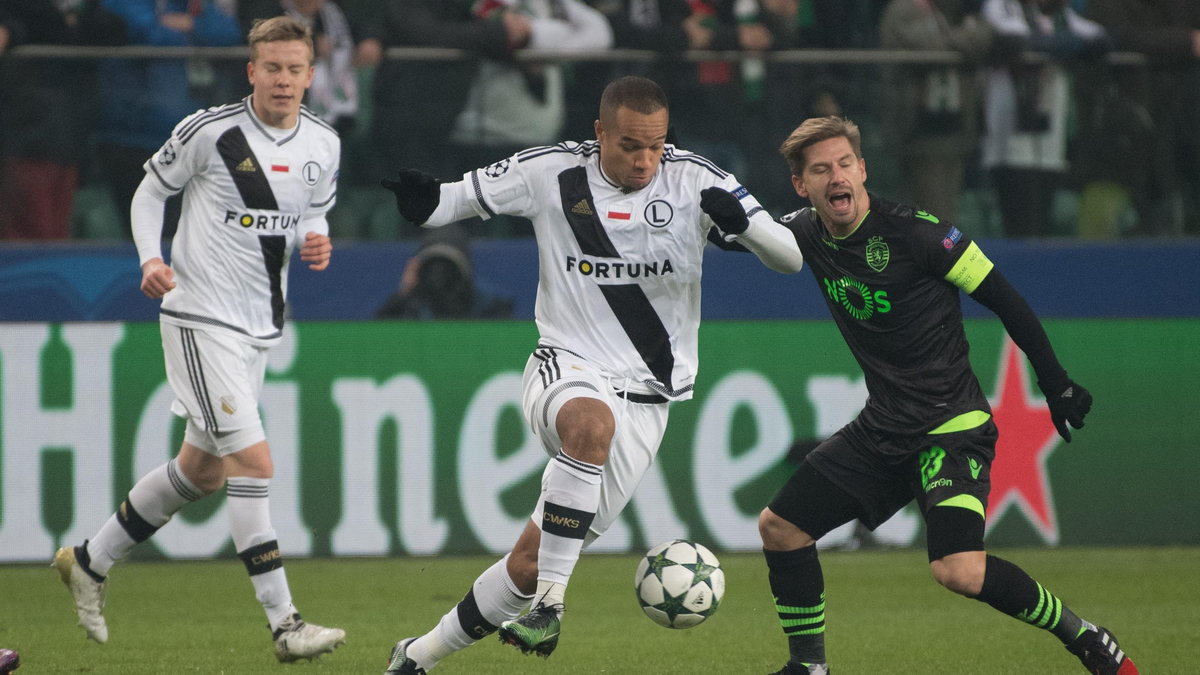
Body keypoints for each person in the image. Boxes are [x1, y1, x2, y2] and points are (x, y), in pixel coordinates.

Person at [378, 74, 804, 673]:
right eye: (630, 144)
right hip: (566, 364)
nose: (645, 160)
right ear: (599, 131)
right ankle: (553, 605)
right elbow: (454, 200)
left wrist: (746, 223)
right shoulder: (551, 172)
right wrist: (424, 201)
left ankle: (416, 657)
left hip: (650, 400)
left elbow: (790, 256)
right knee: (590, 425)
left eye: (656, 146)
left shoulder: (696, 179)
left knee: (527, 565)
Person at [757, 116, 1137, 675]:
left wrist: (1053, 380)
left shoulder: (920, 234)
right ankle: (809, 667)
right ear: (802, 185)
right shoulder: (804, 233)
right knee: (780, 528)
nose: (836, 177)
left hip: (950, 429)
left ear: (863, 170)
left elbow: (1005, 298)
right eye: (820, 170)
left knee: (958, 570)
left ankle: (1083, 636)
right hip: (883, 428)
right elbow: (738, 230)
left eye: (844, 164)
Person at [52, 15, 346, 664]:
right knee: (254, 463)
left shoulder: (323, 143)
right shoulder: (210, 132)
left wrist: (316, 236)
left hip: (259, 328)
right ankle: (285, 623)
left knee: (202, 470)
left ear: (310, 73)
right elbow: (150, 190)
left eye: (295, 69)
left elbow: (312, 209)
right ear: (251, 70)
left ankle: (89, 561)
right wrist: (147, 259)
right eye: (272, 67)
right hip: (197, 315)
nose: (283, 80)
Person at [95, 0, 243, 238]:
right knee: (139, 234)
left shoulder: (190, 4)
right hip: (133, 138)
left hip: (185, 141)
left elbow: (229, 34)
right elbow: (144, 33)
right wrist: (195, 32)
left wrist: (190, 22)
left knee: (179, 236)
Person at [979, 0, 1109, 237]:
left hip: (1050, 135)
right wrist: (1067, 45)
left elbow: (1101, 39)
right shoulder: (1002, 4)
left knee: (1042, 225)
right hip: (1010, 137)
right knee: (1019, 224)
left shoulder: (1059, 15)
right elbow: (1018, 40)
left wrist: (1063, 44)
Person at [0, 0, 126, 240]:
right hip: (25, 139)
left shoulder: (84, 12)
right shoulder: (20, 11)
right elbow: (36, 25)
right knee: (32, 234)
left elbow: (114, 30)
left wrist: (71, 18)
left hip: (68, 137)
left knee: (56, 234)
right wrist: (65, 21)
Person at [375, 222, 515, 319]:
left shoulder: (490, 306)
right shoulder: (411, 304)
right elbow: (377, 341)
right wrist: (403, 294)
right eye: (433, 265)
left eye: (448, 267)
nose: (438, 276)